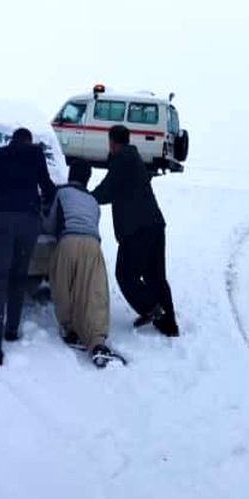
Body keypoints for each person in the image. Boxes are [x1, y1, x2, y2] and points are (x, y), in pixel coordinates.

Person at [0, 127, 56, 367]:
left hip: (1, 220)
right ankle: (11, 329)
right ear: (29, 140)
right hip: (29, 221)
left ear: (12, 140)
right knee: (19, 276)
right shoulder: (36, 153)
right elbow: (48, 186)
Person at [92, 124, 179, 336]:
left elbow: (107, 190)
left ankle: (153, 309)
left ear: (112, 142)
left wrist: (86, 197)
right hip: (154, 224)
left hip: (136, 229)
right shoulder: (133, 158)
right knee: (156, 275)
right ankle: (169, 324)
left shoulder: (122, 160)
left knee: (125, 275)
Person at [43, 163, 118, 367]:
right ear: (88, 179)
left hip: (68, 242)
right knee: (94, 293)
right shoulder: (93, 201)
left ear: (70, 175)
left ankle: (70, 330)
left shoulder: (62, 192)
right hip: (93, 245)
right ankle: (97, 341)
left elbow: (50, 223)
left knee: (63, 287)